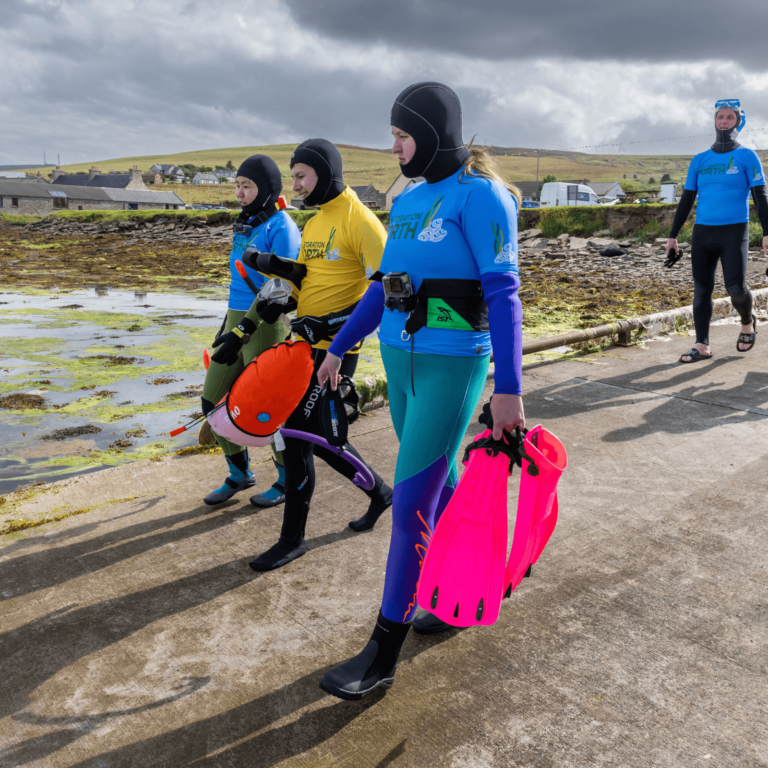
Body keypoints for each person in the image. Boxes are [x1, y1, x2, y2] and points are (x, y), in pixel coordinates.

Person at [315, 82, 525, 699]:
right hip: (399, 359)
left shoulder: (482, 197)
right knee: (442, 487)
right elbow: (382, 287)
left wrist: (509, 389)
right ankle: (470, 589)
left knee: (410, 508)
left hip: (451, 364)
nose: (396, 147)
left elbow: (504, 296)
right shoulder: (407, 198)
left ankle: (382, 653)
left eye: (403, 136)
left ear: (432, 133)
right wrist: (337, 347)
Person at [247, 138, 393, 572]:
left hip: (335, 349)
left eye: (301, 176)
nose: (295, 186)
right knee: (322, 440)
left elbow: (385, 291)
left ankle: (292, 540)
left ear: (325, 172)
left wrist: (330, 327)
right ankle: (380, 493)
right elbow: (310, 281)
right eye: (292, 177)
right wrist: (284, 300)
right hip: (303, 345)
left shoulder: (360, 221)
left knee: (297, 438)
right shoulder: (313, 223)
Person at [201, 155, 301, 505]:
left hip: (265, 326)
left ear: (268, 189)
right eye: (238, 186)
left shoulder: (282, 227)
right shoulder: (244, 224)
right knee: (212, 400)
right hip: (235, 322)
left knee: (268, 410)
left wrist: (243, 329)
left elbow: (279, 289)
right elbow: (237, 284)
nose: (240, 194)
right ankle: (239, 473)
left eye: (248, 186)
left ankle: (287, 480)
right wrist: (224, 328)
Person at [665, 99, 768, 363]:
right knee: (701, 290)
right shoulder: (700, 159)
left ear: (738, 122)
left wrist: (767, 232)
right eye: (720, 117)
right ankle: (702, 346)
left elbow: (760, 197)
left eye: (729, 117)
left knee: (735, 288)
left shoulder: (747, 156)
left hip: (734, 230)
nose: (723, 121)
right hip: (703, 233)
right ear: (714, 121)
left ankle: (747, 322)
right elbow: (687, 200)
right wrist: (673, 235)